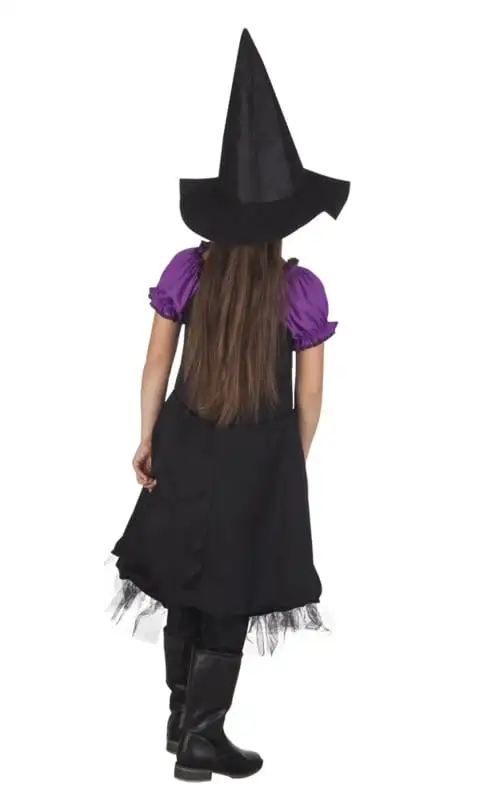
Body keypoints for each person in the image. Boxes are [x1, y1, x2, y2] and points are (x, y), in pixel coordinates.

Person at [108, 28, 350, 782]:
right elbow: (311, 393)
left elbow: (156, 361)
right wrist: (288, 463)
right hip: (258, 457)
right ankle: (201, 737)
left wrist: (147, 436)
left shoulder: (189, 271)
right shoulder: (298, 291)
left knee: (188, 581)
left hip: (185, 441)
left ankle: (182, 721)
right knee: (232, 589)